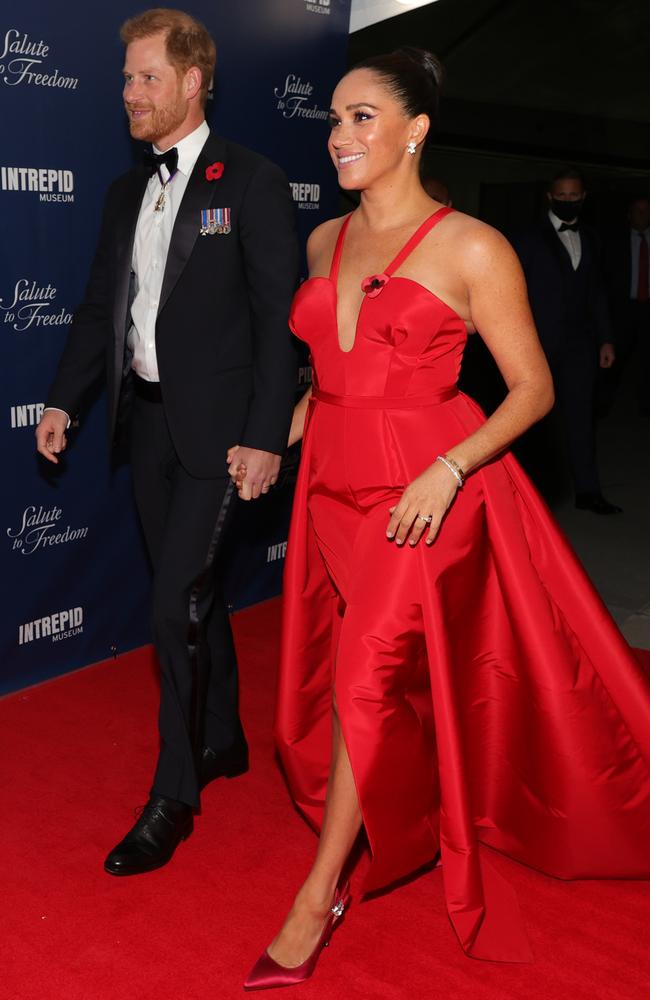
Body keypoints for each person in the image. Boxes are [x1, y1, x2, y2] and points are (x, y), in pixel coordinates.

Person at [236, 49, 650, 988]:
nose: (340, 135)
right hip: (330, 486)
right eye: (335, 119)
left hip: (421, 494)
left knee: (370, 679)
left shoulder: (471, 245)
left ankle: (319, 893)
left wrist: (450, 466)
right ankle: (380, 818)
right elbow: (329, 365)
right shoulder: (323, 241)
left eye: (364, 117)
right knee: (347, 678)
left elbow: (535, 389)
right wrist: (290, 425)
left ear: (416, 129)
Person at [35, 8, 298, 876]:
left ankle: (174, 796)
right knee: (196, 597)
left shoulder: (251, 181)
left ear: (192, 82)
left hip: (224, 440)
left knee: (172, 604)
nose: (129, 94)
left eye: (146, 77)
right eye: (124, 79)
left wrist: (266, 438)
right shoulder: (124, 191)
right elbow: (102, 308)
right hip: (145, 425)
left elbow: (279, 327)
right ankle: (221, 737)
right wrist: (65, 402)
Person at [512, 168, 621, 514]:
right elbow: (512, 292)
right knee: (532, 422)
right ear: (550, 196)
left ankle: (588, 492)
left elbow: (597, 292)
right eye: (562, 195)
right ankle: (526, 497)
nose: (568, 201)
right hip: (536, 344)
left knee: (580, 418)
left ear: (583, 198)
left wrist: (606, 339)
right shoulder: (528, 237)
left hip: (581, 346)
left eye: (574, 196)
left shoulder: (591, 237)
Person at [601, 194, 650, 415]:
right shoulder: (614, 242)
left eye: (647, 211)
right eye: (638, 211)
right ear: (629, 215)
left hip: (648, 308)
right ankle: (603, 404)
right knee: (616, 359)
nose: (643, 215)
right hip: (623, 309)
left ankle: (645, 406)